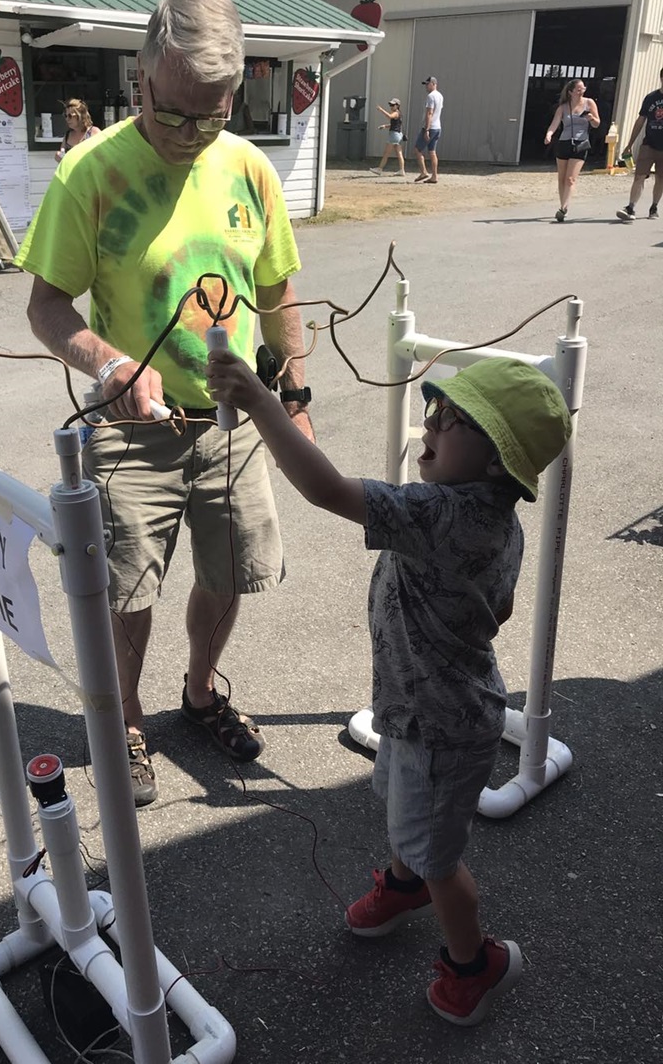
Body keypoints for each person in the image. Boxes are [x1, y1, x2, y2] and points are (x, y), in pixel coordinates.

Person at [206, 351, 572, 1025]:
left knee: (441, 857)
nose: (429, 424)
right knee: (410, 814)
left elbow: (325, 490)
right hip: (424, 710)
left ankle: (475, 965)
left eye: (452, 420)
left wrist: (264, 402)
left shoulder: (441, 514)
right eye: (434, 409)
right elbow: (504, 609)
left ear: (497, 460)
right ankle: (404, 885)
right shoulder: (497, 519)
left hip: (441, 723)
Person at [14, 0, 311, 806]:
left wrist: (296, 391)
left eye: (210, 118)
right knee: (127, 591)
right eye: (174, 113)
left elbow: (278, 290)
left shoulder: (248, 167)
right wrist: (109, 364)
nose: (189, 136)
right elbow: (46, 308)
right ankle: (129, 718)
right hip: (131, 427)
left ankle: (201, 690)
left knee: (227, 572)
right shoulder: (91, 171)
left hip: (234, 419)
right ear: (140, 76)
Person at [544, 78, 600, 222]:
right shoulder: (563, 107)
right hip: (564, 142)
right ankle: (563, 205)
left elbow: (597, 124)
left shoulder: (589, 103)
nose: (582, 91)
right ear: (571, 92)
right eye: (578, 89)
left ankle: (563, 208)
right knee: (561, 178)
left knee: (570, 179)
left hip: (581, 143)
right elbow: (554, 123)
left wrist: (591, 118)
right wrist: (549, 134)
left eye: (583, 88)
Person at [615, 66, 663, 222]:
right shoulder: (651, 98)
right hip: (649, 144)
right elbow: (640, 121)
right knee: (639, 176)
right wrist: (630, 143)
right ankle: (630, 207)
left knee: (661, 179)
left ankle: (654, 207)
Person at [414, 76, 443, 184]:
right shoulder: (440, 96)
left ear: (433, 84)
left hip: (430, 127)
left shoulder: (431, 96)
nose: (426, 86)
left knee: (417, 150)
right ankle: (434, 176)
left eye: (428, 84)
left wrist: (426, 129)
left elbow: (429, 113)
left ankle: (423, 172)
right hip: (437, 127)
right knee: (432, 152)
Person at [370, 98, 405, 176]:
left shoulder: (396, 113)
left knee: (386, 153)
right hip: (399, 135)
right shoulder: (399, 113)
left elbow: (389, 116)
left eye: (393, 105)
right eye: (390, 105)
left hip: (394, 135)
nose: (391, 107)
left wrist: (381, 109)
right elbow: (394, 125)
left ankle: (379, 169)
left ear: (397, 106)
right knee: (399, 154)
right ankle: (402, 170)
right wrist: (385, 126)